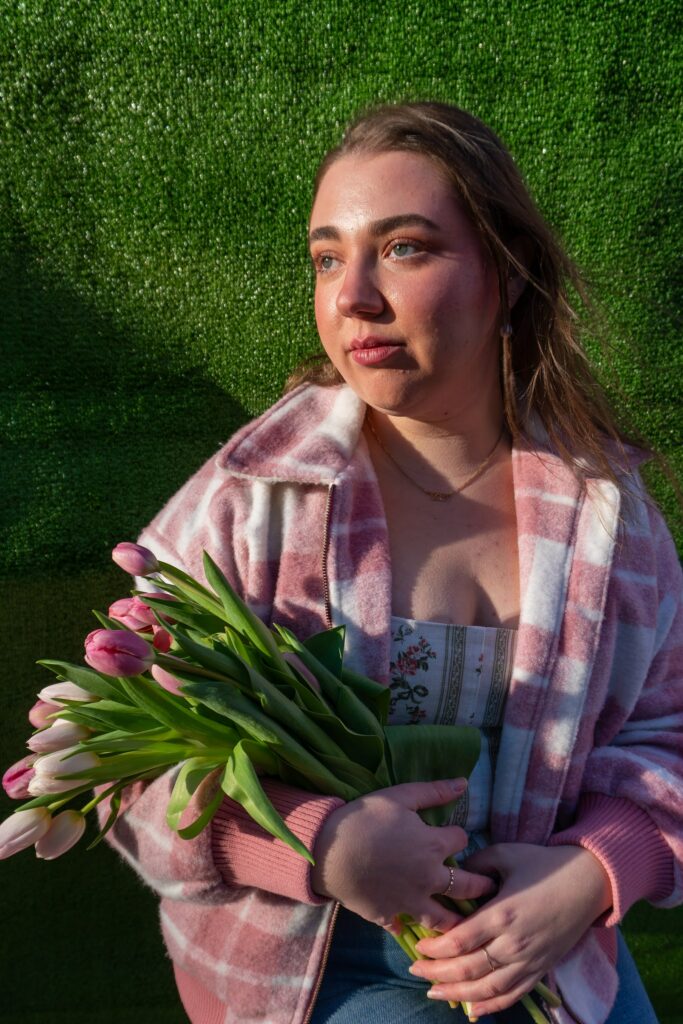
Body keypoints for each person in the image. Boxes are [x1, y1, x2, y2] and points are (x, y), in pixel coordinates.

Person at [102, 103, 682, 1024]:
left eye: (404, 248)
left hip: (552, 946)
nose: (352, 297)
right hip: (316, 964)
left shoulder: (608, 514)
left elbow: (668, 734)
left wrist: (589, 872)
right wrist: (318, 843)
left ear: (509, 272)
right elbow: (123, 769)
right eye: (327, 257)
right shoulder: (252, 500)